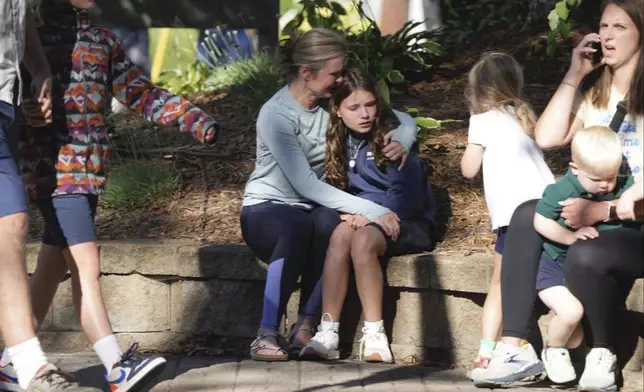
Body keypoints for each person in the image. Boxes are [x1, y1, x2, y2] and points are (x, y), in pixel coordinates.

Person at [0, 1, 219, 391]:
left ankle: (11, 361)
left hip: (91, 175)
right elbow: (16, 105)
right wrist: (31, 111)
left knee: (53, 266)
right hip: (57, 176)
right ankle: (116, 364)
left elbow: (140, 93)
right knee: (87, 267)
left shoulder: (102, 42)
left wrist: (194, 119)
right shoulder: (31, 47)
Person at [474, 0, 642, 390]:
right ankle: (515, 347)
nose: (609, 36)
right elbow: (547, 137)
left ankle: (602, 351)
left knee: (587, 251)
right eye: (605, 26)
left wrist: (602, 210)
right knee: (526, 213)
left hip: (634, 224)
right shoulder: (596, 96)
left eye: (621, 26)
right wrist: (574, 73)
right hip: (596, 216)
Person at [240, 28, 418, 361]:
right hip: (267, 209)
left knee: (333, 228)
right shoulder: (276, 115)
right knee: (296, 227)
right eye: (333, 74)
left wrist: (403, 140)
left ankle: (306, 325)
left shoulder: (330, 104)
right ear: (306, 73)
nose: (339, 80)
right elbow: (306, 185)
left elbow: (400, 118)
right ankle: (266, 334)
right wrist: (373, 210)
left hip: (314, 208)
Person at [297, 67, 436, 363]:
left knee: (361, 242)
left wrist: (371, 215)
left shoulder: (393, 138)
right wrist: (351, 211)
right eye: (354, 107)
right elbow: (333, 188)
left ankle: (375, 334)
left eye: (370, 105)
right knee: (340, 235)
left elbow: (407, 199)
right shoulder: (339, 139)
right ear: (337, 110)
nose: (364, 114)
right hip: (367, 219)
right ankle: (328, 332)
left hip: (407, 220)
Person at [0, 0, 104, 390]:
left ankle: (20, 365)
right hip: (53, 166)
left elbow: (16, 18)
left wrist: (39, 68)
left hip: (5, 105)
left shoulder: (99, 40)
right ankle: (30, 365)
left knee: (13, 225)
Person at [458, 52, 555, 377]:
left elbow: (468, 169)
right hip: (545, 210)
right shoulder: (524, 117)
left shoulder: (483, 120)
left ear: (480, 92)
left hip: (516, 219)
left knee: (501, 282)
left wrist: (473, 120)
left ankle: (489, 353)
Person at [534, 126, 637, 384]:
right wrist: (568, 236)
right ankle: (553, 349)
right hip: (554, 266)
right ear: (575, 168)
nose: (604, 185)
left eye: (610, 177)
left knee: (582, 316)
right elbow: (539, 221)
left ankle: (580, 355)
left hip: (579, 266)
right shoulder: (562, 190)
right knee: (571, 313)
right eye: (596, 179)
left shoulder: (619, 184)